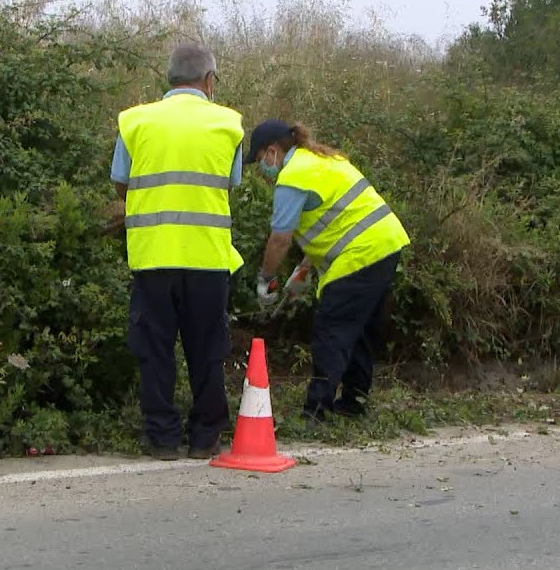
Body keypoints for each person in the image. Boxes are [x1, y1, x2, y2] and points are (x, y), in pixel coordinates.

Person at [110, 43, 246, 460]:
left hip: (152, 257)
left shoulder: (134, 121)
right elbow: (230, 183)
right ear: (209, 81)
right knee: (207, 350)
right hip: (207, 258)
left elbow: (121, 183)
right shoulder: (229, 124)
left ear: (168, 80)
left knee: (154, 350)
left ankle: (162, 438)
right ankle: (205, 437)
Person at [245, 119, 411, 422]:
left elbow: (280, 239)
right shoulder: (322, 159)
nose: (262, 170)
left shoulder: (292, 177)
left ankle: (316, 411)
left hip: (361, 253)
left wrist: (265, 279)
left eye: (259, 160)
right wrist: (304, 269)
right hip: (386, 244)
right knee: (358, 329)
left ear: (272, 151)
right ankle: (353, 404)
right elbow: (334, 219)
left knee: (331, 330)